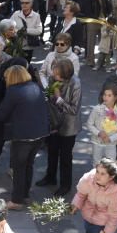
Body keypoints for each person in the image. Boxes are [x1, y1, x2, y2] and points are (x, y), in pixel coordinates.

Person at [0, 65, 49, 210]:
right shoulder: (34, 86)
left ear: (12, 77)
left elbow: (2, 114)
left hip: (23, 136)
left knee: (19, 168)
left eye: (6, 77)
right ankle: (25, 195)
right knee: (29, 165)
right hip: (39, 134)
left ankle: (16, 201)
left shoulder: (13, 91)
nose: (5, 80)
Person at [38, 58, 82, 196]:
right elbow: (49, 97)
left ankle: (65, 185)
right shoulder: (52, 79)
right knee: (52, 151)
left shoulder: (76, 83)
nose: (53, 75)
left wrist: (58, 98)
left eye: (56, 73)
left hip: (69, 125)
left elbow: (74, 110)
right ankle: (50, 177)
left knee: (65, 157)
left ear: (65, 74)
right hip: (54, 122)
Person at [86, 83, 117, 163]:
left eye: (109, 95)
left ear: (115, 97)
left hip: (111, 144)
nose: (105, 97)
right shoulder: (97, 109)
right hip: (97, 143)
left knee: (111, 165)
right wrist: (98, 133)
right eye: (104, 95)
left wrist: (111, 138)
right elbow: (89, 124)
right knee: (96, 163)